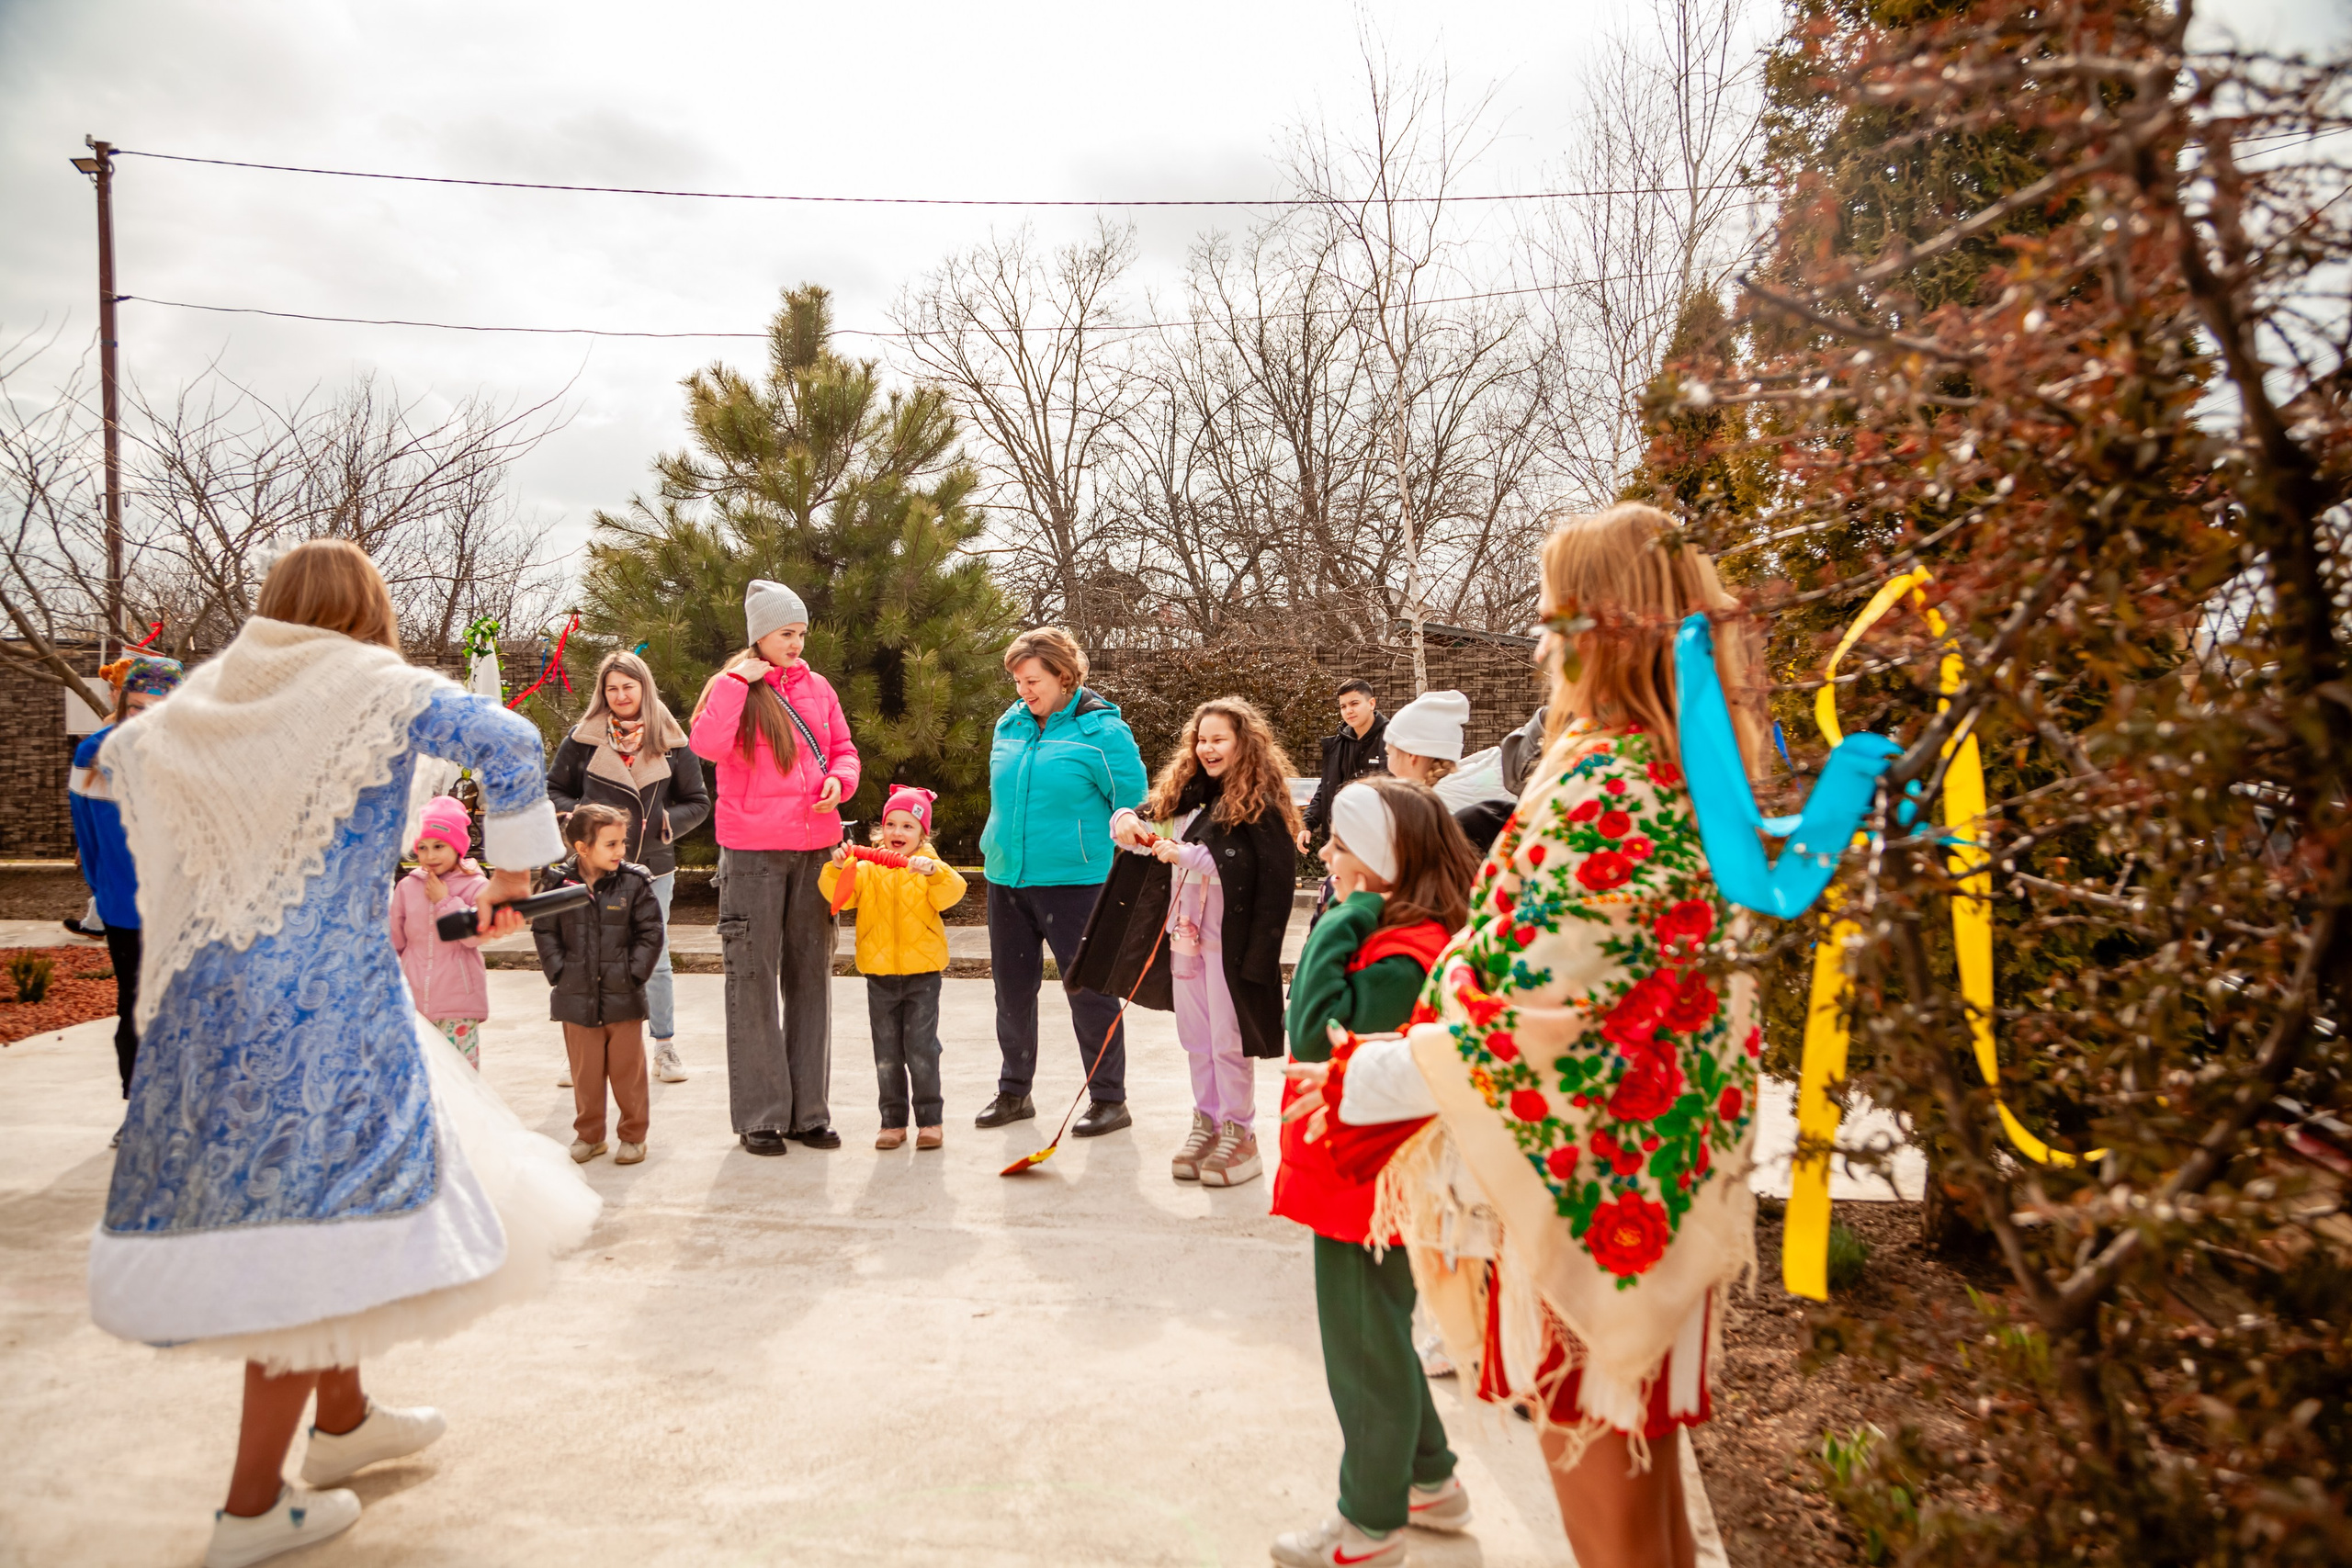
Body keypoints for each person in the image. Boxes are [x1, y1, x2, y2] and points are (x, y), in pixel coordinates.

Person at [89, 539, 596, 1568]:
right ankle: (248, 1510)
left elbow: (115, 764)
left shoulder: (209, 699)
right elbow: (503, 737)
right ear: (368, 611)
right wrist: (509, 881)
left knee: (329, 1206)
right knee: (305, 1234)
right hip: (328, 1006)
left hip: (205, 1005)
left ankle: (346, 1423)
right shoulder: (377, 686)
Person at [1306, 503, 1764, 1568]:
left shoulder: (1599, 778)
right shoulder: (1687, 773)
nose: (1539, 642)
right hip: (1660, 1173)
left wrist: (1393, 1069)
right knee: (1647, 1511)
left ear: (1606, 628)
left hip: (1580, 1191)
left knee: (1607, 1518)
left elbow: (1534, 998)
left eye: (1556, 613)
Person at [1271, 777, 1484, 1568]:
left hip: (1366, 1178)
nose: (1328, 854)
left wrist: (1346, 917)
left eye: (1343, 844)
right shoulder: (1417, 930)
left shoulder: (1400, 947)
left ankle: (1370, 1521)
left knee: (1364, 1347)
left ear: (1385, 861)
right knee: (1380, 1334)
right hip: (1365, 1173)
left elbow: (1316, 1040)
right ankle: (1431, 1480)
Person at [689, 580, 861, 1156]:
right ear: (758, 634)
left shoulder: (817, 687)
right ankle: (761, 1115)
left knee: (812, 981)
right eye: (786, 632)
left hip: (817, 850)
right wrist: (738, 682)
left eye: (800, 632)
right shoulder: (732, 686)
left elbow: (844, 749)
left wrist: (842, 781)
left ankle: (809, 1113)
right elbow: (706, 746)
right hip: (753, 855)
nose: (796, 642)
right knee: (754, 981)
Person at [1102, 696, 1299, 1185]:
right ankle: (1206, 1122)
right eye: (1202, 739)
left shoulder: (1259, 804)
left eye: (1219, 739)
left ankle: (1240, 1130)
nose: (1208, 748)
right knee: (1196, 1038)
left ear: (1244, 744)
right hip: (1184, 940)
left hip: (1228, 944)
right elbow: (1145, 828)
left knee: (1228, 1040)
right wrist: (1125, 819)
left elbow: (1258, 870)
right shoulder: (1185, 796)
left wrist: (1188, 856)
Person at [974, 626, 1148, 1136]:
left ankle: (1109, 1100)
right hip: (1007, 878)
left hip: (1077, 884)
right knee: (1011, 990)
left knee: (1090, 991)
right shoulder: (1010, 724)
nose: (1023, 691)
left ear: (1064, 676)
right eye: (1018, 682)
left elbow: (1135, 804)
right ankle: (1013, 1092)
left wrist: (1134, 826)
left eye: (1033, 681)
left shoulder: (1103, 733)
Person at [548, 649, 709, 1085]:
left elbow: (698, 802)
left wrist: (664, 823)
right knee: (587, 956)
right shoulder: (582, 740)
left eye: (628, 686)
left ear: (644, 688)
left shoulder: (672, 742)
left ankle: (665, 1046)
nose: (620, 695)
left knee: (653, 959)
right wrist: (581, 814)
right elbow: (554, 789)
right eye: (611, 688)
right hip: (592, 868)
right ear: (603, 692)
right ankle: (581, 1049)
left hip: (652, 865)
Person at [819, 785, 968, 1150]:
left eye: (908, 826)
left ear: (923, 833)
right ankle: (892, 1122)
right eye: (891, 825)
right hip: (880, 974)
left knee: (921, 1049)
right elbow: (842, 898)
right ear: (880, 829)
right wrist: (837, 868)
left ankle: (930, 1120)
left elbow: (952, 893)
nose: (898, 833)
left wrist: (932, 872)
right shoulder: (866, 866)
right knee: (886, 1053)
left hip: (923, 974)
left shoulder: (931, 868)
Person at [67, 654, 182, 1122]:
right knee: (135, 1009)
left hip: (185, 909)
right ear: (121, 702)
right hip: (123, 909)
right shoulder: (91, 756)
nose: (147, 718)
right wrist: (106, 890)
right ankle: (138, 1114)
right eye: (138, 707)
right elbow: (88, 839)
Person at [534, 802, 666, 1166]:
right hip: (575, 996)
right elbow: (544, 930)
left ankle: (633, 1135)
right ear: (582, 848)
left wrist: (633, 974)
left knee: (629, 1073)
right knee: (585, 1074)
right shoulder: (557, 885)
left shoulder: (634, 882)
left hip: (623, 995)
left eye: (622, 842)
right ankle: (589, 1136)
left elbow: (651, 932)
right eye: (611, 844)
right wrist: (560, 973)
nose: (620, 851)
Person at [386, 795, 492, 1068]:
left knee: (462, 1079)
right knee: (422, 1079)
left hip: (459, 1004)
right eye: (422, 847)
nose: (430, 856)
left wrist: (445, 902)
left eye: (439, 846)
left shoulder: (476, 886)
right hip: (414, 1004)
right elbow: (394, 942)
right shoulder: (407, 887)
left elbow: (475, 937)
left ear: (457, 847)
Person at [1298, 678, 1388, 853]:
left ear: (1371, 703)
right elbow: (1325, 789)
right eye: (1343, 706)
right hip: (1342, 839)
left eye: (1354, 703)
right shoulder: (1338, 744)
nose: (1349, 711)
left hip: (1382, 839)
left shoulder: (1391, 740)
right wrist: (1307, 824)